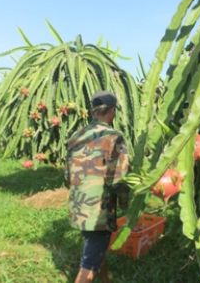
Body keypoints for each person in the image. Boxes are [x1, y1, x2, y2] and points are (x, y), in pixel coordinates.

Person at [65, 91, 131, 283]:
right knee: (88, 265)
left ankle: (105, 279)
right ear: (112, 111)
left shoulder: (75, 136)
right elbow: (119, 179)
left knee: (95, 247)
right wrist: (129, 207)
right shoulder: (113, 137)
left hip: (79, 206)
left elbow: (68, 176)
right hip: (99, 211)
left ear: (93, 111)